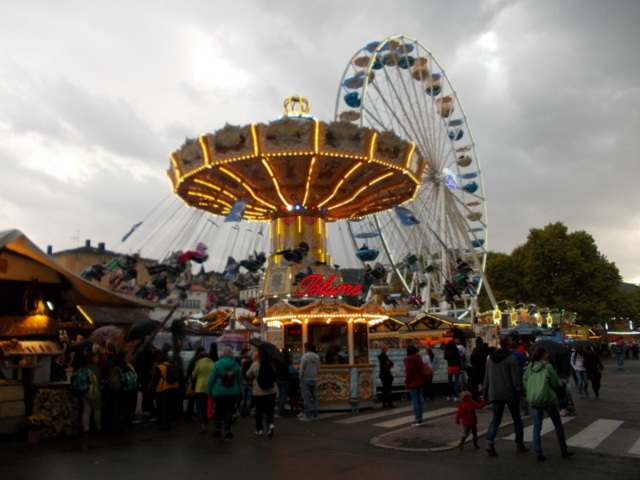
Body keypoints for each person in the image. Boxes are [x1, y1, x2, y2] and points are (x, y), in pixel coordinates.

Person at [523, 347, 576, 461]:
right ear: (544, 354)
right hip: (547, 398)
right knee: (557, 425)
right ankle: (564, 450)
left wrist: (529, 392)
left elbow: (525, 381)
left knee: (537, 426)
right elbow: (555, 382)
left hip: (534, 398)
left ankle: (538, 452)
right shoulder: (548, 367)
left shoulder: (530, 367)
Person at [484, 336, 528, 457]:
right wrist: (520, 391)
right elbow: (515, 377)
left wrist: (485, 392)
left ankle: (489, 441)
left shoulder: (491, 358)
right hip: (509, 392)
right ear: (509, 345)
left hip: (495, 392)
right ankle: (519, 444)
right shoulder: (511, 358)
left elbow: (487, 376)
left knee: (496, 419)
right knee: (517, 419)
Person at [206, 346, 241, 439]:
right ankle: (227, 430)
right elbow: (239, 379)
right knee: (229, 411)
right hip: (232, 391)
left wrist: (208, 392)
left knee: (218, 410)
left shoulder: (217, 364)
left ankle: (218, 429)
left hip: (219, 391)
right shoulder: (235, 365)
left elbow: (211, 380)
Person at [246, 350, 277, 437]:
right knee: (269, 410)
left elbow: (248, 374)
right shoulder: (271, 364)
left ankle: (259, 429)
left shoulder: (255, 364)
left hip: (258, 392)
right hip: (271, 390)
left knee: (259, 411)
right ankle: (270, 424)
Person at [151, 350, 180, 431]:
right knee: (168, 407)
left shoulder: (159, 367)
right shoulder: (170, 365)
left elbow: (156, 380)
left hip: (162, 389)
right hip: (172, 388)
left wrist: (152, 387)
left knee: (162, 407)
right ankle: (168, 423)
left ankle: (163, 425)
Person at [190, 350, 214, 433]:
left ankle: (202, 422)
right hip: (209, 388)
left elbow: (194, 375)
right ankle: (205, 422)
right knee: (206, 406)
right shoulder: (212, 364)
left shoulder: (199, 364)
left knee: (199, 406)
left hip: (200, 388)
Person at [299, 342, 320, 421]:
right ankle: (316, 415)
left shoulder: (304, 357)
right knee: (315, 398)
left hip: (305, 379)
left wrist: (300, 378)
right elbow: (318, 369)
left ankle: (307, 416)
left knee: (306, 398)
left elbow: (302, 370)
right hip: (314, 379)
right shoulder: (317, 357)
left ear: (306, 348)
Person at [404, 344, 424, 426]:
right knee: (420, 400)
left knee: (415, 401)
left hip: (412, 381)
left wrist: (406, 381)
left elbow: (408, 373)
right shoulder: (419, 359)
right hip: (420, 380)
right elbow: (422, 369)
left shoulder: (408, 360)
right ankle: (420, 418)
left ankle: (417, 419)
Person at [469, 337, 490, 401]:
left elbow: (471, 360)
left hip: (476, 369)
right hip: (484, 369)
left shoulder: (475, 350)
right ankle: (486, 397)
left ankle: (475, 397)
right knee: (485, 383)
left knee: (474, 384)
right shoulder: (486, 349)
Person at [276, 348, 293, 416]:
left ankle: (280, 409)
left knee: (280, 395)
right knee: (283, 395)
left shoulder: (279, 360)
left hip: (278, 379)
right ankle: (281, 410)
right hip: (285, 379)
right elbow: (291, 370)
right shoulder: (288, 361)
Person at [378, 344, 396, 408]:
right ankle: (389, 403)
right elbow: (388, 363)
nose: (387, 350)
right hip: (387, 374)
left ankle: (384, 402)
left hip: (382, 374)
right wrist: (391, 363)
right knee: (388, 389)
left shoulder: (380, 356)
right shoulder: (385, 357)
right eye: (386, 348)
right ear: (384, 349)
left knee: (384, 388)